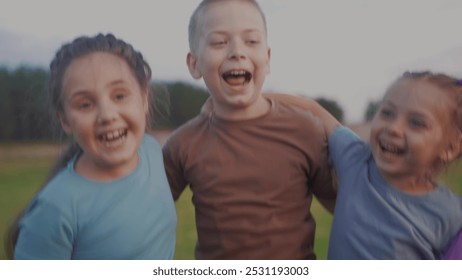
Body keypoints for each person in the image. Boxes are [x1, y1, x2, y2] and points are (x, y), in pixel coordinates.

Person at [162, 0, 337, 259]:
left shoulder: (306, 130)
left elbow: (348, 208)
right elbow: (143, 215)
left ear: (266, 59)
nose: (236, 52)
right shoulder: (183, 144)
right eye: (219, 42)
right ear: (194, 64)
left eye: (251, 41)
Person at [6, 33, 177, 260]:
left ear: (144, 99)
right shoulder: (55, 210)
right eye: (85, 104)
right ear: (65, 120)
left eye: (119, 95)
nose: (107, 115)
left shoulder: (152, 151)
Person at [303, 71, 462, 259]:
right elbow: (312, 109)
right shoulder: (356, 158)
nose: (393, 128)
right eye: (387, 113)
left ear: (450, 149)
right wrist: (259, 103)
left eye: (416, 123)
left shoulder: (451, 216)